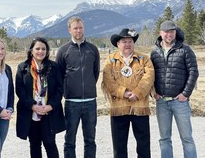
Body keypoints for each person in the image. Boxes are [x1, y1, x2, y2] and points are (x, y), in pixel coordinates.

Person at [102, 28, 154, 158]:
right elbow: (107, 79)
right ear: (118, 44)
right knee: (119, 147)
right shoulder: (110, 60)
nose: (127, 44)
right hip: (118, 107)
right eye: (124, 41)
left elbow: (149, 78)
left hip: (139, 107)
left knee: (143, 145)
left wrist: (137, 92)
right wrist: (123, 93)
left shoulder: (144, 59)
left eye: (130, 41)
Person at [150, 20, 199, 158]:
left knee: (187, 138)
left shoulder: (185, 49)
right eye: (166, 31)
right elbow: (150, 75)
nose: (169, 34)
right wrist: (153, 92)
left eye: (172, 31)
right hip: (161, 102)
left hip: (180, 102)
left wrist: (185, 94)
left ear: (175, 33)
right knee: (164, 139)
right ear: (160, 33)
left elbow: (193, 72)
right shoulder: (155, 53)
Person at [55, 16, 100, 158]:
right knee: (70, 140)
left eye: (80, 27)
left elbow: (95, 72)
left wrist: (88, 87)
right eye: (75, 28)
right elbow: (59, 75)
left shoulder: (93, 49)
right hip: (71, 103)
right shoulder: (63, 51)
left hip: (90, 102)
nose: (78, 30)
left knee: (90, 140)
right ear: (69, 30)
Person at [15, 37, 66, 158]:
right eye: (37, 48)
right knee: (34, 144)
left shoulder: (53, 67)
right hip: (31, 112)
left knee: (50, 143)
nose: (40, 51)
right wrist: (32, 106)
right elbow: (19, 89)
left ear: (47, 51)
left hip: (48, 112)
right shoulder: (23, 67)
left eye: (43, 49)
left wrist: (50, 106)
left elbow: (59, 88)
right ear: (31, 50)